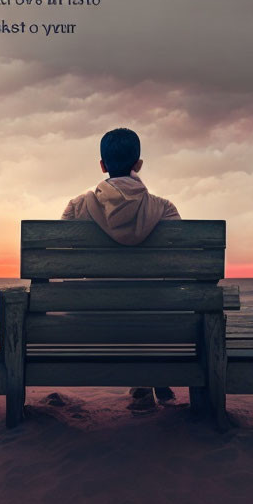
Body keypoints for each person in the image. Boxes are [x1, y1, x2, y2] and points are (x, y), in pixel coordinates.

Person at [61, 127, 180, 408]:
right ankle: (152, 377)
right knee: (152, 304)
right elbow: (179, 269)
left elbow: (61, 265)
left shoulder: (77, 207)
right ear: (138, 165)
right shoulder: (164, 209)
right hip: (155, 322)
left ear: (102, 166)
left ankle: (144, 383)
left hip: (93, 321)